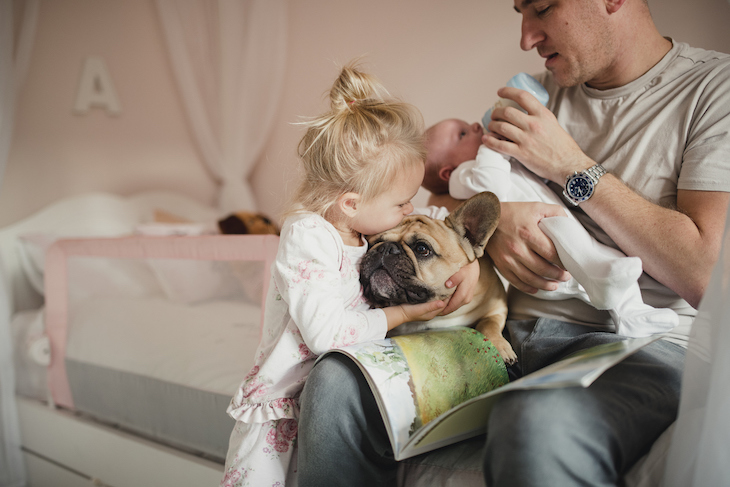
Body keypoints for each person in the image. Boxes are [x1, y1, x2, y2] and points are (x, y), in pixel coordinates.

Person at [297, 1, 730, 486]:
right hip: (498, 335)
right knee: (336, 382)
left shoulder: (714, 91)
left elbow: (706, 275)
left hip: (635, 341)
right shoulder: (530, 95)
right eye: (521, 12)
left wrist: (570, 166)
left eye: (542, 8)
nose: (526, 38)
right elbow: (446, 194)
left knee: (537, 421)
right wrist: (496, 225)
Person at [219, 62, 452, 487]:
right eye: (403, 202)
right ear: (350, 202)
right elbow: (325, 336)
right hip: (281, 412)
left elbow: (432, 221)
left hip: (320, 404)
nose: (409, 211)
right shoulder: (309, 235)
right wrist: (402, 316)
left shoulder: (363, 230)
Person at [423, 117, 678, 338]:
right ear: (448, 172)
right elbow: (493, 188)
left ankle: (633, 315)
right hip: (541, 249)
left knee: (612, 265)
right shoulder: (465, 175)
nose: (476, 125)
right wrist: (494, 148)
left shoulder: (490, 164)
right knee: (591, 261)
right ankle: (604, 283)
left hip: (560, 236)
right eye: (463, 134)